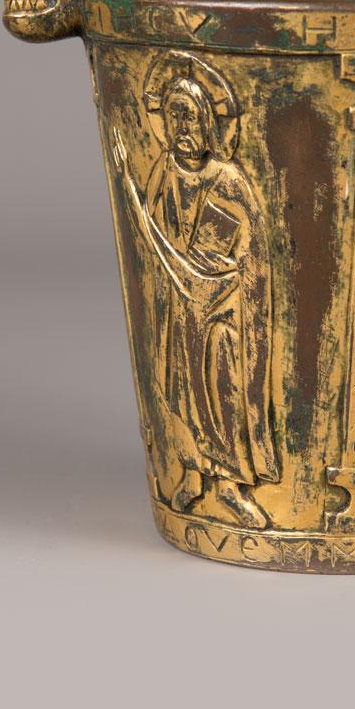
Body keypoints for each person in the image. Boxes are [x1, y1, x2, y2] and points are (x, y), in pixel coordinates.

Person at [110, 56, 278, 529]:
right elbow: (152, 239)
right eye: (175, 116)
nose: (183, 128)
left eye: (191, 117)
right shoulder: (164, 173)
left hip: (224, 310)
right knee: (182, 391)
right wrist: (129, 185)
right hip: (179, 309)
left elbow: (252, 252)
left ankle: (229, 487)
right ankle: (192, 475)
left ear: (209, 123)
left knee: (222, 392)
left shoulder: (229, 180)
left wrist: (221, 280)